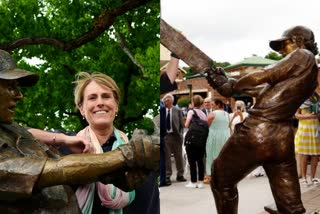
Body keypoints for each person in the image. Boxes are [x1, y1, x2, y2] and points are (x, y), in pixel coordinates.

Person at [0, 49, 159, 213]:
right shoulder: (67, 147)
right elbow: (52, 164)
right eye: (92, 98)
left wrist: (122, 172)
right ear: (81, 109)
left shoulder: (143, 150)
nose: (100, 103)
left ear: (116, 105)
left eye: (106, 96)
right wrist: (62, 139)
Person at [205, 26, 319, 214]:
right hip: (281, 137)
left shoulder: (303, 55)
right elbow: (263, 90)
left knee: (220, 180)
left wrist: (231, 85)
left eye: (284, 45)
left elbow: (262, 75)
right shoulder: (308, 74)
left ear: (298, 40)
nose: (281, 51)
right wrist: (228, 86)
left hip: (259, 131)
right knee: (290, 206)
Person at [294, 90, 320, 187]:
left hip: (316, 129)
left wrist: (317, 114)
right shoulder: (301, 98)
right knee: (304, 154)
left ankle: (312, 177)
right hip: (305, 129)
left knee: (315, 155)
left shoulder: (318, 98)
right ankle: (304, 178)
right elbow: (296, 115)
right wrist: (308, 116)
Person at [204, 98, 230, 185]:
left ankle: (210, 176)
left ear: (218, 105)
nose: (212, 105)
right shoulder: (227, 114)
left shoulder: (212, 114)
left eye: (213, 104)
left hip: (214, 136)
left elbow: (206, 125)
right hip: (225, 136)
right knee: (223, 155)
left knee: (211, 155)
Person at [162, 93, 187, 184]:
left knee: (179, 156)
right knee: (167, 157)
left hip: (176, 136)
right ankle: (168, 175)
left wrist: (180, 134)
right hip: (166, 137)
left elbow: (182, 124)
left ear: (171, 101)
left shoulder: (177, 110)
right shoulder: (162, 110)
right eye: (164, 100)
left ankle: (180, 174)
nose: (165, 101)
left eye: (167, 100)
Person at [184, 95, 207, 188]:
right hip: (201, 140)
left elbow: (186, 125)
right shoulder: (203, 113)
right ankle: (201, 182)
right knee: (200, 161)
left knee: (192, 161)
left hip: (191, 140)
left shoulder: (191, 111)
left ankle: (193, 182)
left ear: (193, 103)